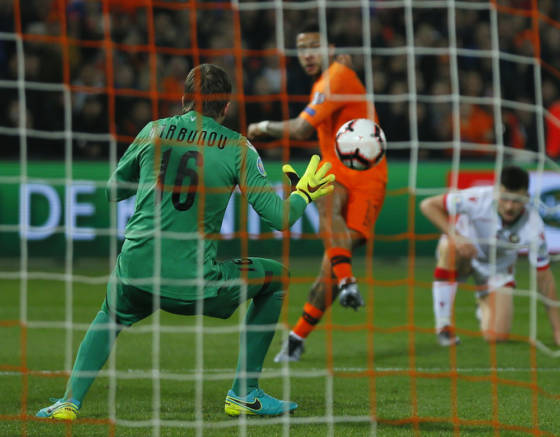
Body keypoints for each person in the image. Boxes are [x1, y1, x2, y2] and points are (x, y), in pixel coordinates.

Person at [36, 64, 335, 420]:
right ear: (226, 107)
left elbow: (113, 191)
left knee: (110, 314)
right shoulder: (238, 148)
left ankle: (69, 402)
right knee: (277, 278)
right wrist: (303, 193)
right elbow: (280, 219)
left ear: (183, 99)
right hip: (192, 283)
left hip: (136, 271)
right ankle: (244, 393)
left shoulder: (154, 130)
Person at [247, 22, 388, 362]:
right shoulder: (326, 80)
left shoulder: (336, 76)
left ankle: (297, 337)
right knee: (325, 201)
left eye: (314, 46)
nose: (307, 54)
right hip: (335, 167)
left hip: (368, 176)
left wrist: (261, 127)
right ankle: (348, 283)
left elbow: (301, 128)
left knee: (329, 267)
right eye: (301, 48)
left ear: (330, 48)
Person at [420, 165, 560, 346]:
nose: (509, 207)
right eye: (505, 199)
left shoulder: (533, 226)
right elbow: (428, 205)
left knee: (497, 337)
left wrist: (557, 330)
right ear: (496, 192)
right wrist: (456, 235)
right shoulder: (477, 198)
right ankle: (444, 326)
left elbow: (544, 278)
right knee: (450, 246)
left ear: (526, 197)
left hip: (497, 270)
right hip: (465, 254)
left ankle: (484, 301)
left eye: (516, 201)